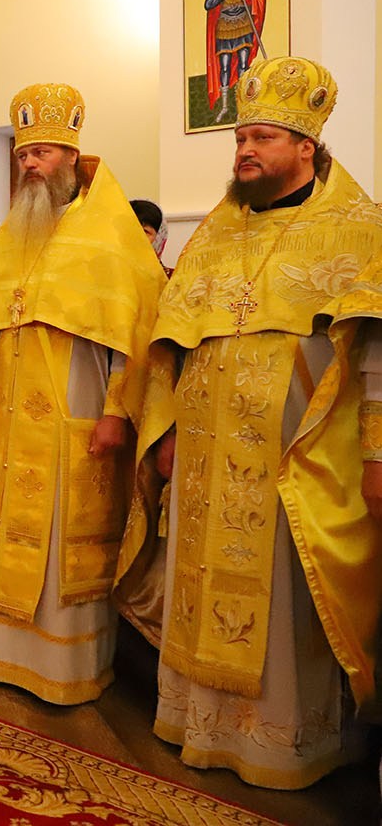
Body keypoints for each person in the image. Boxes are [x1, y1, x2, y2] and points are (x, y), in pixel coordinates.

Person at [115, 56, 382, 788]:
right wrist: (166, 433)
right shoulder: (215, 233)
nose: (245, 150)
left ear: (307, 146)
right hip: (206, 454)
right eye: (240, 138)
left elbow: (373, 354)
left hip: (296, 454)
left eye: (262, 137)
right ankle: (198, 723)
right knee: (200, 580)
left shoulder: (359, 229)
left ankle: (282, 741)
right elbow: (171, 346)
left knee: (285, 591)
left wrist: (375, 454)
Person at [0, 83, 165, 705]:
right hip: (11, 415)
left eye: (41, 153)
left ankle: (64, 668)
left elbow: (129, 336)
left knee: (65, 536)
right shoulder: (17, 234)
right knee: (6, 523)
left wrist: (116, 412)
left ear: (70, 156)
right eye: (23, 155)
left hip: (77, 413)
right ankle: (4, 652)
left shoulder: (109, 232)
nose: (30, 165)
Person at [203, 0, 266, 123]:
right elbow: (208, 3)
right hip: (224, 25)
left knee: (244, 65)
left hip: (243, 22)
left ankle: (243, 106)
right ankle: (224, 106)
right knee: (224, 66)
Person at [129, 199, 173, 277]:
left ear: (160, 238)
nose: (135, 237)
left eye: (144, 231)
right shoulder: (109, 276)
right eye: (129, 230)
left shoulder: (174, 280)